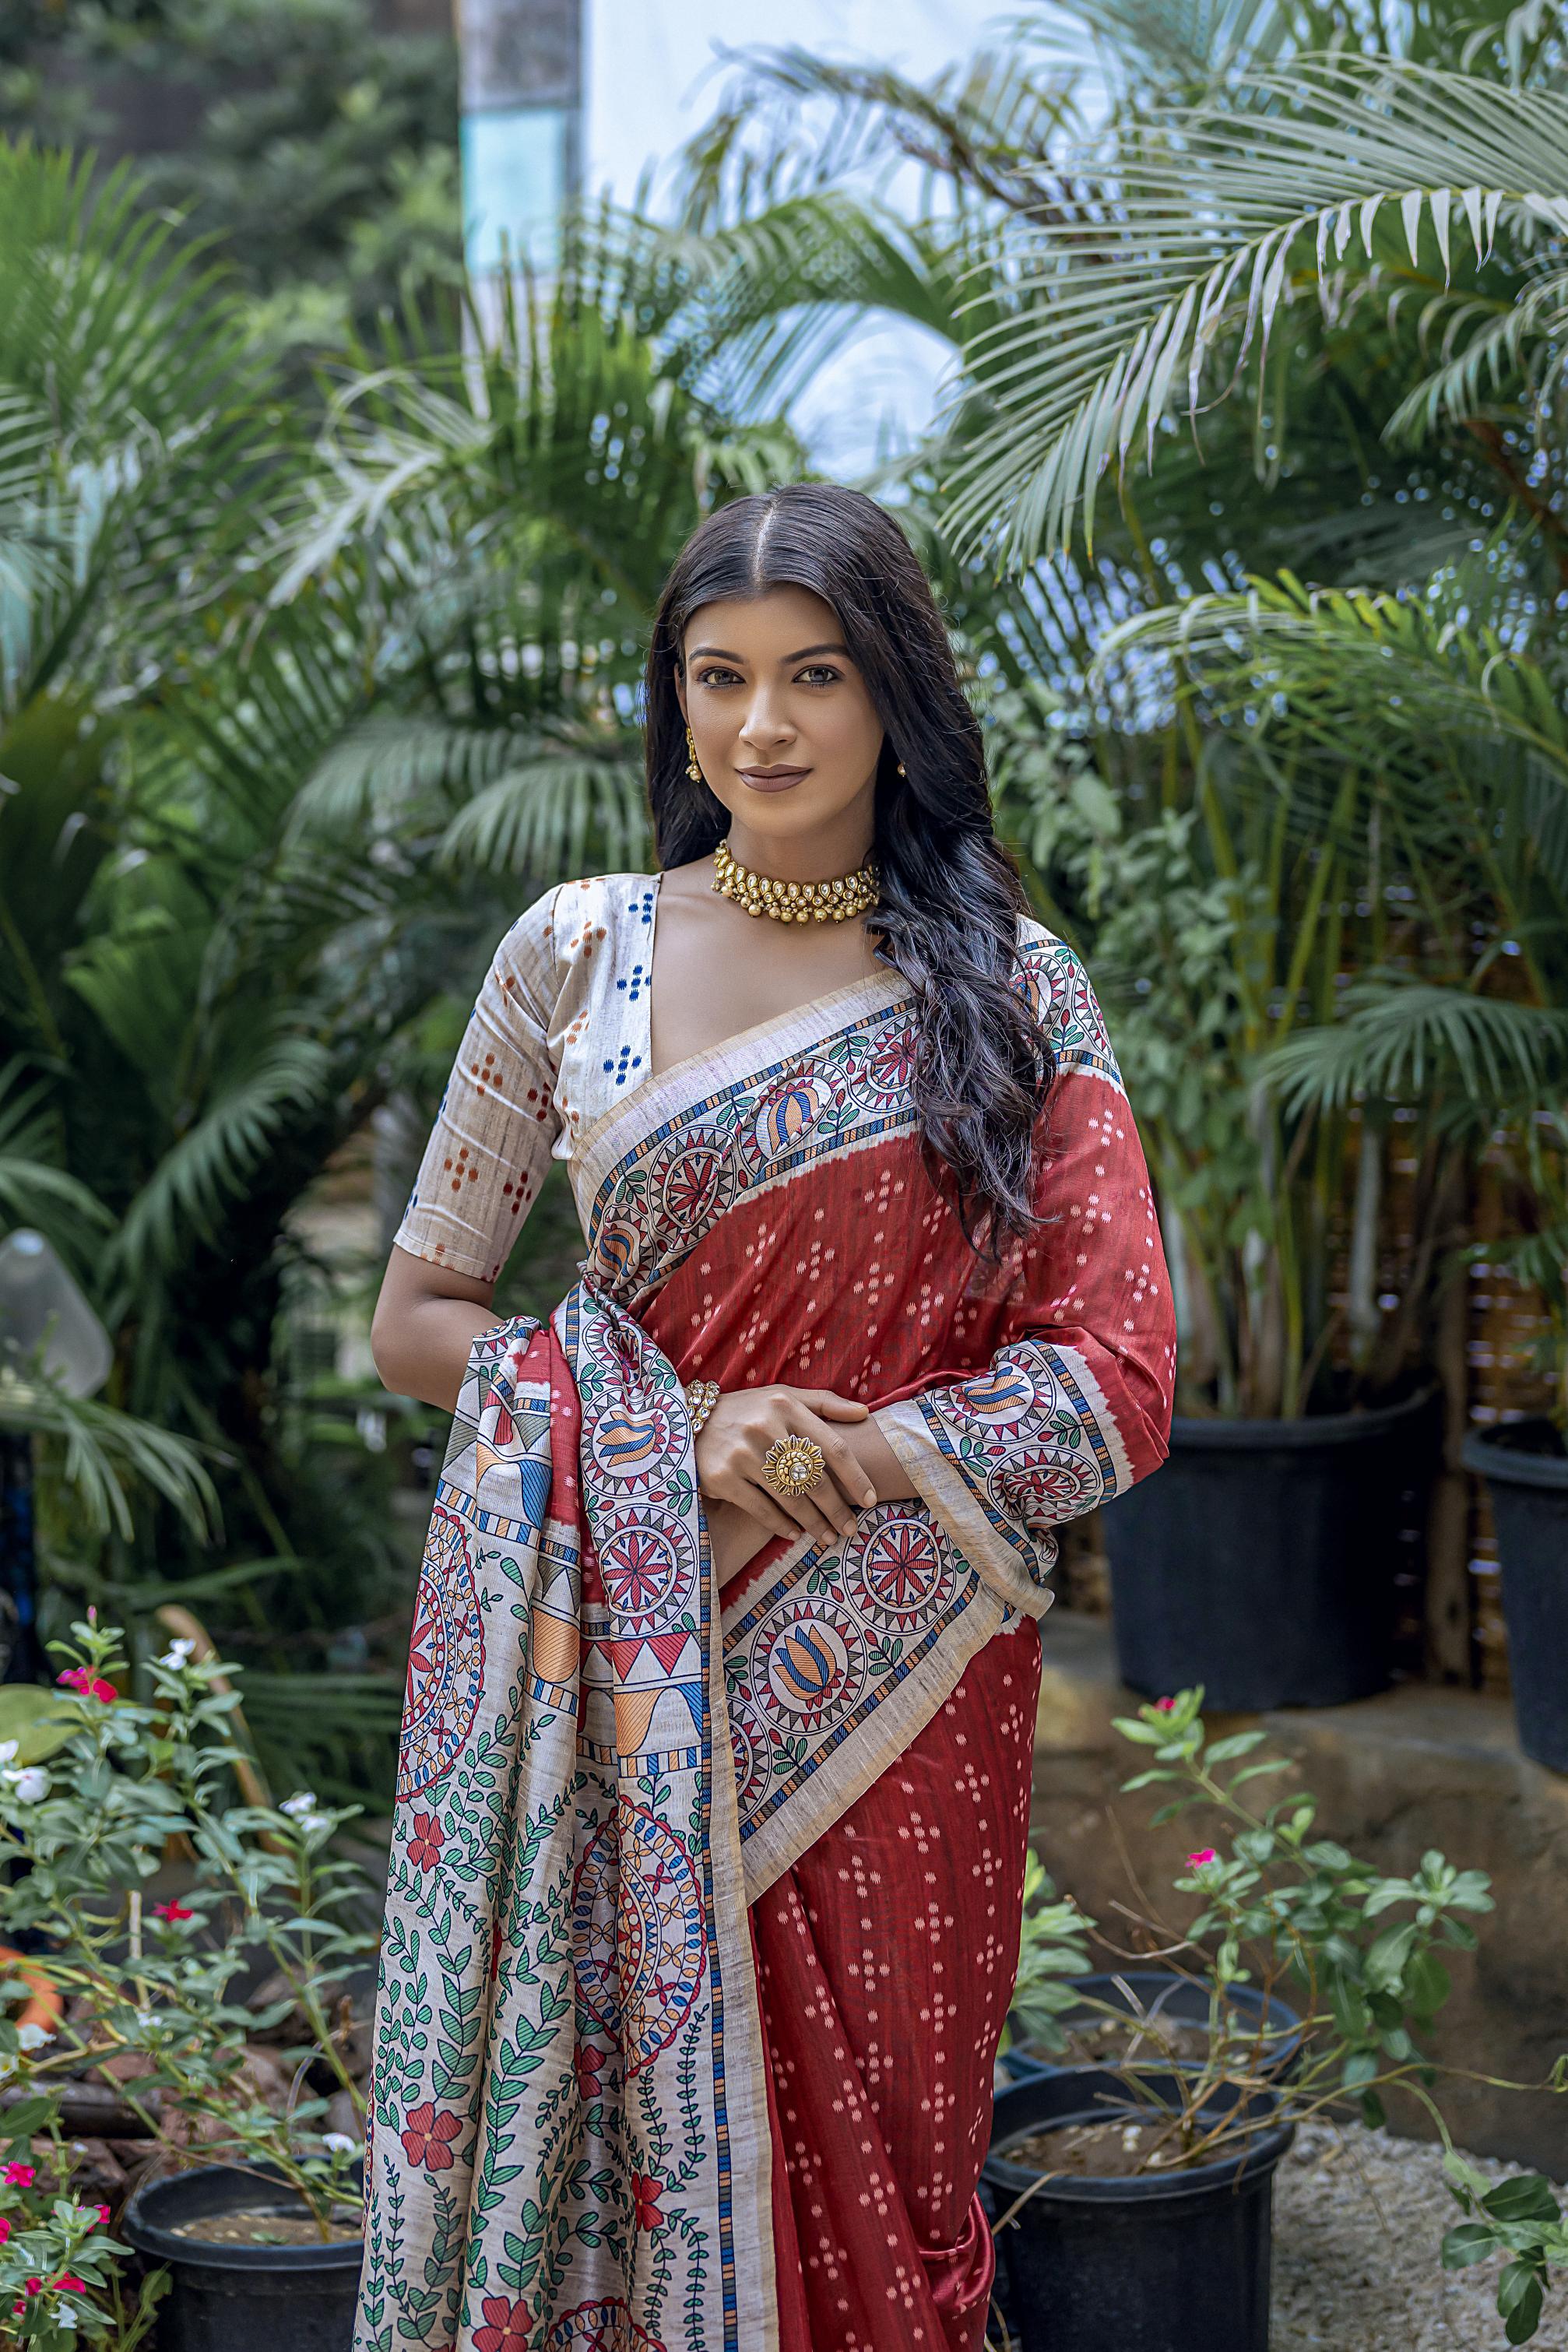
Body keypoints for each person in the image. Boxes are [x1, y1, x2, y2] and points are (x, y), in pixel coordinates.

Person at [354, 482, 1175, 2352]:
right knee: (616, 2163)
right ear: (672, 697)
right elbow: (418, 1318)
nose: (762, 728)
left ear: (893, 694)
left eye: (814, 674)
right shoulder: (576, 953)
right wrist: (688, 1429)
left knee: (889, 2167)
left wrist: (853, 1455)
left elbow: (1118, 1383)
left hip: (904, 1674)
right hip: (621, 1680)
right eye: (715, 677)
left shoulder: (1012, 990)